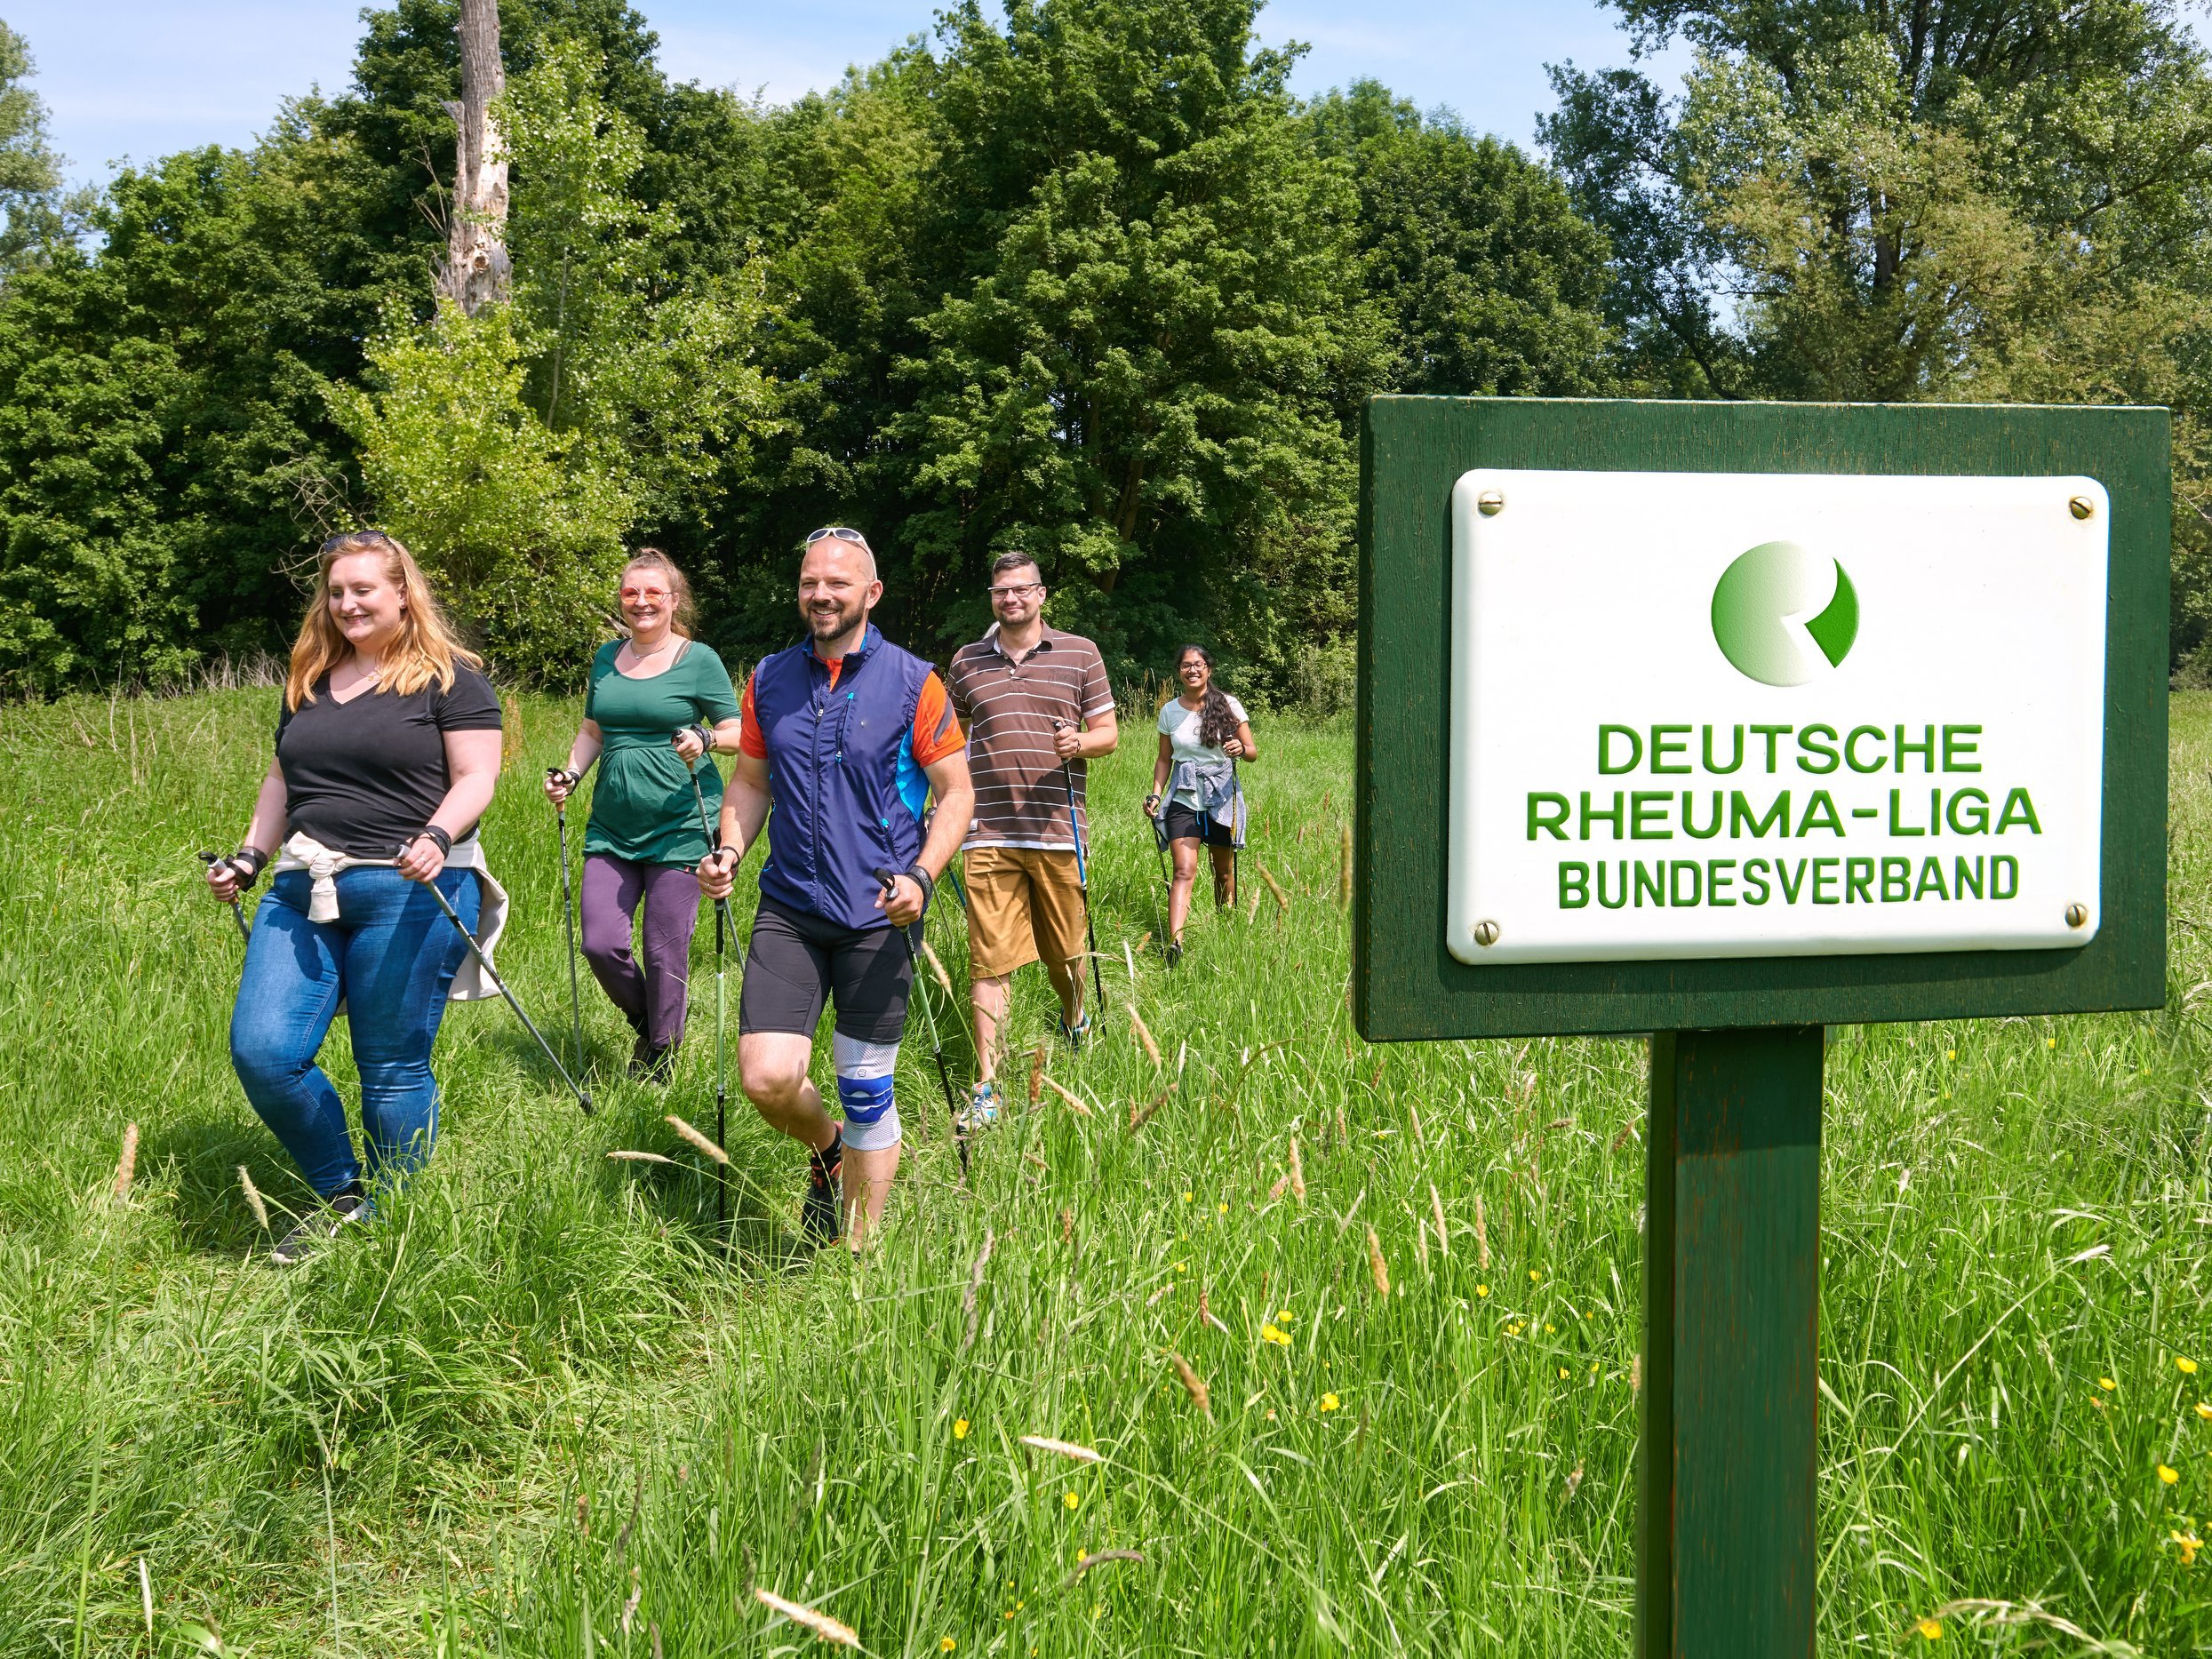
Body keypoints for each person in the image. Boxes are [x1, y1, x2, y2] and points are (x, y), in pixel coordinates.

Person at [204, 530, 506, 1264]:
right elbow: (282, 780)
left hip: (414, 886)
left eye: (363, 589)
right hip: (304, 884)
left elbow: (476, 778)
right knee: (265, 1052)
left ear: (403, 592)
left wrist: (436, 835)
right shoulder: (307, 677)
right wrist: (250, 856)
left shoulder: (450, 680)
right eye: (336, 591)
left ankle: (395, 1223)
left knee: (391, 1064)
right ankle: (343, 1195)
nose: (347, 604)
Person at [696, 528, 972, 1248]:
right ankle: (828, 1151)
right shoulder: (769, 678)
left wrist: (922, 874)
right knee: (765, 1077)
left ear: (871, 594)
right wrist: (729, 848)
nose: (820, 594)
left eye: (838, 584)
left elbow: (958, 793)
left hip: (880, 911)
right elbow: (751, 782)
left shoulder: (915, 681)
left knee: (865, 1087)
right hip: (790, 905)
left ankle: (857, 1257)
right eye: (809, 581)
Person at [544, 550, 742, 1081]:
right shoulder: (606, 658)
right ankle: (652, 1022)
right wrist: (569, 775)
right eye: (631, 592)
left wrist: (704, 737)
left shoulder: (699, 659)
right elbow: (592, 731)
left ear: (674, 601)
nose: (642, 601)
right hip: (611, 826)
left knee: (663, 952)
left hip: (681, 826)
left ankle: (662, 1055)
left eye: (653, 592)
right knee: (600, 942)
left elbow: (738, 732)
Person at [944, 553, 1117, 1128]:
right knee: (988, 959)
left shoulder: (1079, 652)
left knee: (1064, 953)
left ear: (1041, 594)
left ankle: (1074, 1020)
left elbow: (1109, 733)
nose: (1009, 599)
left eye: (1020, 589)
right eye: (1000, 591)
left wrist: (1080, 744)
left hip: (1056, 830)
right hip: (986, 831)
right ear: (991, 597)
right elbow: (954, 740)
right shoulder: (966, 662)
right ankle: (986, 1085)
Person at [1146, 643, 1258, 965]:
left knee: (1222, 872)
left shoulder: (1228, 705)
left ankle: (1227, 928)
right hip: (1184, 795)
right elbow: (1165, 759)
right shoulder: (1169, 711)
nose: (1191, 670)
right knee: (1183, 870)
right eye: (1185, 665)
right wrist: (1156, 793)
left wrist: (1240, 748)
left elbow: (1252, 751)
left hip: (1221, 794)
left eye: (1197, 665)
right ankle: (1175, 944)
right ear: (1179, 671)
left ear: (1209, 669)